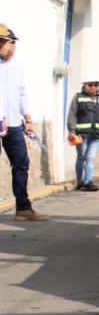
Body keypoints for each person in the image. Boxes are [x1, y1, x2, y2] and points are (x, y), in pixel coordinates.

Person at [0, 24, 41, 220]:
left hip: (14, 124)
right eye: (8, 43)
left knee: (21, 163)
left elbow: (22, 93)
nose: (12, 48)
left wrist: (28, 119)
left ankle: (23, 208)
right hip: (1, 122)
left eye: (13, 43)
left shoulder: (16, 67)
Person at [70, 78, 99, 191]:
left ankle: (88, 181)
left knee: (90, 158)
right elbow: (72, 115)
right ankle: (80, 181)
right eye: (90, 85)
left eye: (96, 84)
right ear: (84, 85)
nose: (93, 87)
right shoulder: (78, 98)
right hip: (82, 135)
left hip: (97, 135)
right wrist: (72, 131)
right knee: (81, 157)